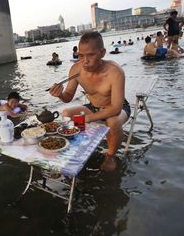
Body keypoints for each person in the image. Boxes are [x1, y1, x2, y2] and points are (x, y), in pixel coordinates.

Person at [49, 32, 130, 172]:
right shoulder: (76, 69)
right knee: (66, 113)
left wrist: (86, 119)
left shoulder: (115, 72)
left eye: (91, 55)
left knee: (112, 121)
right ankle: (77, 149)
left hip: (118, 108)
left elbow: (116, 108)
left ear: (102, 52)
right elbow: (68, 97)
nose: (85, 61)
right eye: (81, 55)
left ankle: (110, 156)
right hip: (94, 107)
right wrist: (60, 94)